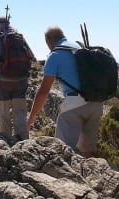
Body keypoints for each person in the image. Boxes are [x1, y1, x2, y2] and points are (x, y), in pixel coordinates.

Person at [27, 26, 103, 158]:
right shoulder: (80, 47)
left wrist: (31, 119)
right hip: (97, 102)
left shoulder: (55, 55)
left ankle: (67, 178)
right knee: (87, 152)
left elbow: (44, 91)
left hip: (75, 104)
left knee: (62, 150)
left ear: (49, 40)